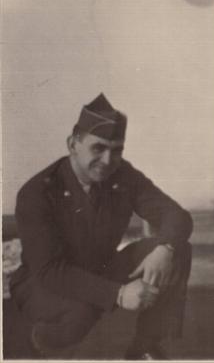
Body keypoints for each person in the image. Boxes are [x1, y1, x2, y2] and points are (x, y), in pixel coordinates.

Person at [10, 93, 193, 359]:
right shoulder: (38, 192)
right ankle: (41, 341)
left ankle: (145, 347)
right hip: (42, 282)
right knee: (80, 315)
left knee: (178, 249)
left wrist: (165, 248)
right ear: (73, 144)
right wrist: (118, 294)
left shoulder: (122, 174)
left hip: (100, 269)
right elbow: (49, 270)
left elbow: (177, 215)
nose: (108, 160)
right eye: (98, 148)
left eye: (116, 150)